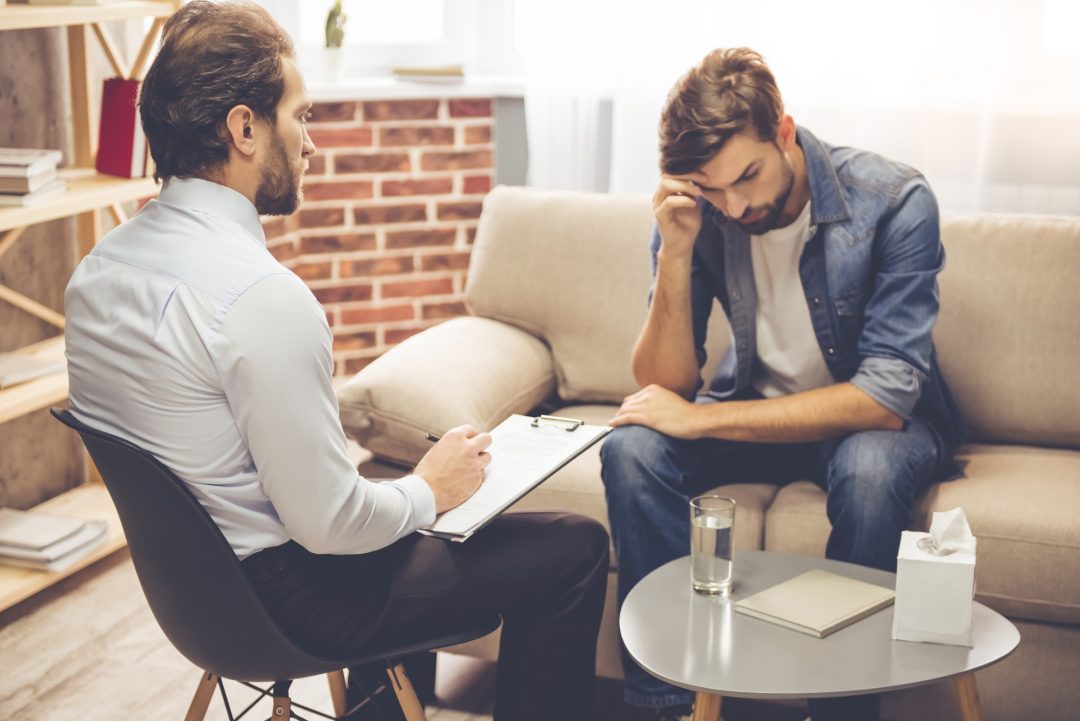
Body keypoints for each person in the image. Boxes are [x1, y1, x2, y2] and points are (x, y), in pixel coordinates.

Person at [63, 3, 609, 720]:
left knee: (393, 513)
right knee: (573, 547)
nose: (311, 142)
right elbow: (331, 526)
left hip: (192, 605)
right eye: (302, 116)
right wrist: (429, 488)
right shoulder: (261, 299)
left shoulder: (93, 276)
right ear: (245, 128)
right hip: (298, 606)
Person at [600, 48, 965, 721]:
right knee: (630, 449)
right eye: (712, 188)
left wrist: (702, 420)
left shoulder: (894, 202)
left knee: (874, 471)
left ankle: (840, 712)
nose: (735, 205)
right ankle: (672, 703)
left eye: (748, 176)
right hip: (754, 411)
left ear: (785, 132)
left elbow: (884, 399)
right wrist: (676, 251)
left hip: (864, 427)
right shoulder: (699, 210)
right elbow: (663, 382)